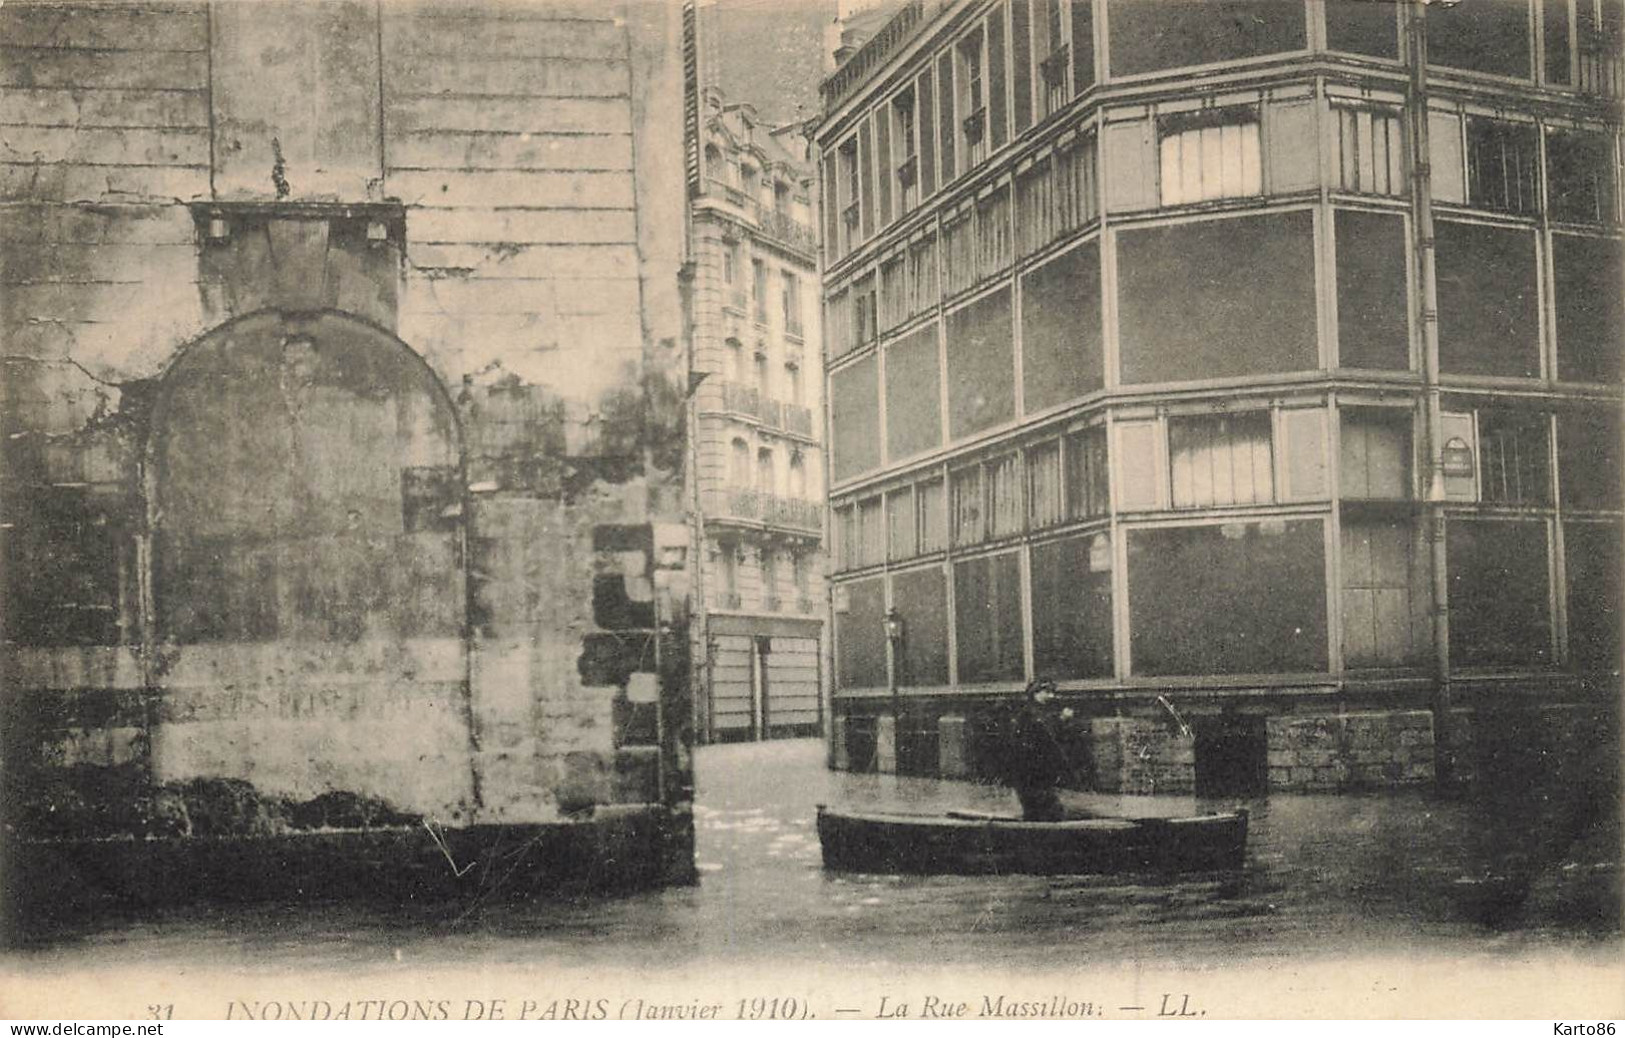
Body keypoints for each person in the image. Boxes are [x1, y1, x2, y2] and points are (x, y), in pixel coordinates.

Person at [994, 681, 1076, 821]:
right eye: (1047, 692)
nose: (1051, 696)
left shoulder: (1041, 711)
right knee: (1042, 805)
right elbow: (1044, 732)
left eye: (1052, 693)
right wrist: (1062, 719)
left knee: (1041, 806)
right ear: (1035, 693)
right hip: (1030, 769)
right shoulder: (1029, 713)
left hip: (1037, 769)